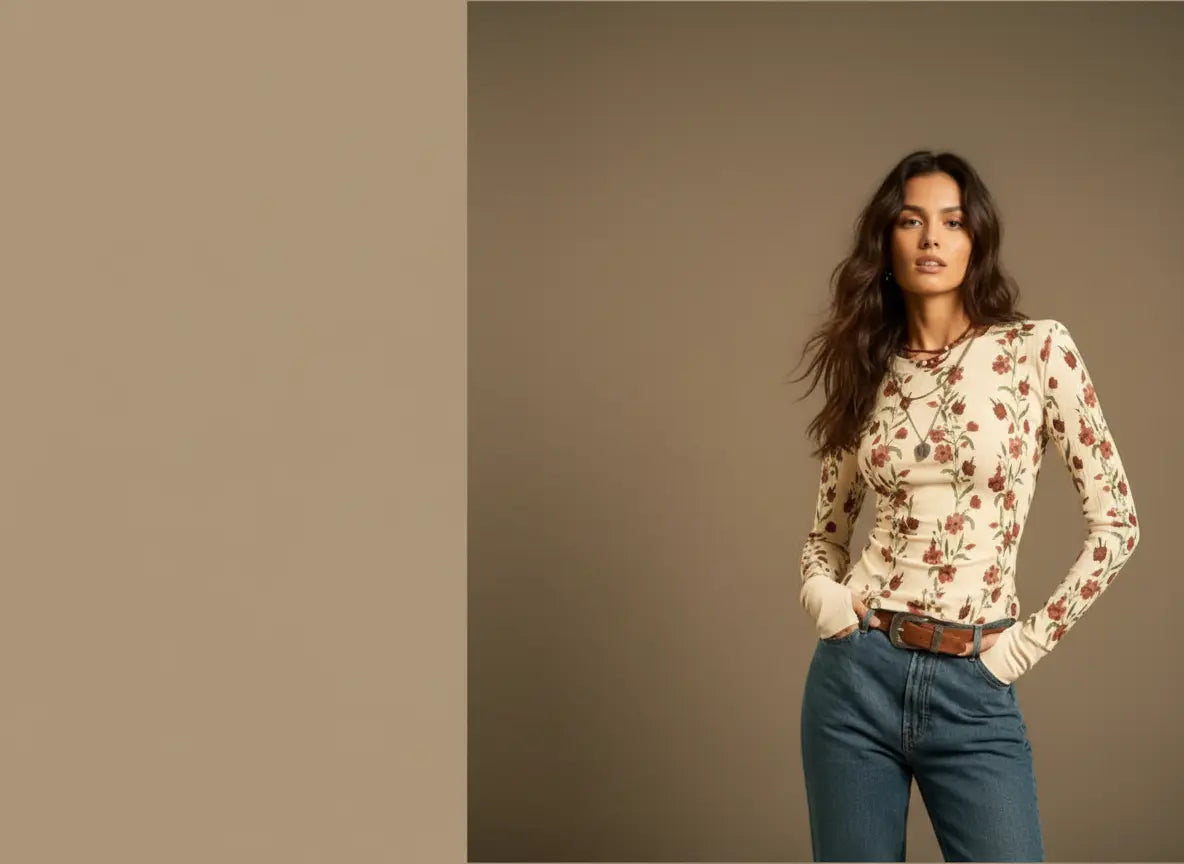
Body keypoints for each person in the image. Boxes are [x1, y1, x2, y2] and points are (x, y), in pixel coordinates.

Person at [785, 150, 1140, 862]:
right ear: (886, 242)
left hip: (975, 684)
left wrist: (1019, 650)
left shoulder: (1037, 352)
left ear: (975, 238)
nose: (931, 239)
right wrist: (821, 595)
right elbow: (826, 536)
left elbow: (1118, 524)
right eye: (911, 221)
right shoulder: (867, 368)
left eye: (951, 221)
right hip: (856, 677)